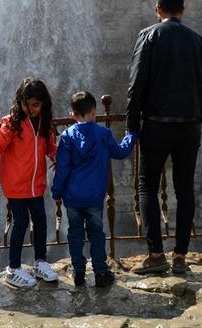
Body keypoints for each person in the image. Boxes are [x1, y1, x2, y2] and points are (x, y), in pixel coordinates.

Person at [125, 0, 202, 275]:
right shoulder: (199, 40)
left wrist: (132, 127)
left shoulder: (149, 36)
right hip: (189, 126)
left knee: (148, 188)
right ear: (183, 10)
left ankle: (156, 255)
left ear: (157, 9)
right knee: (184, 190)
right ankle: (180, 257)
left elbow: (136, 84)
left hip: (156, 125)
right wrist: (190, 92)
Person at [51, 91, 137, 288]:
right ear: (94, 111)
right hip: (94, 197)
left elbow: (62, 168)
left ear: (72, 114)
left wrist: (57, 192)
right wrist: (131, 135)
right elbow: (121, 152)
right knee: (97, 233)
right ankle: (100, 272)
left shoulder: (66, 136)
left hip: (72, 197)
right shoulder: (103, 134)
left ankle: (78, 272)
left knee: (74, 234)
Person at [0, 77, 59, 288]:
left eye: (40, 105)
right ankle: (13, 268)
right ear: (22, 102)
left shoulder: (43, 122)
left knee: (41, 220)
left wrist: (56, 157)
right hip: (16, 184)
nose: (37, 109)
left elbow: (49, 146)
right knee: (21, 223)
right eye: (33, 105)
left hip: (36, 184)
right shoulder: (12, 124)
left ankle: (40, 262)